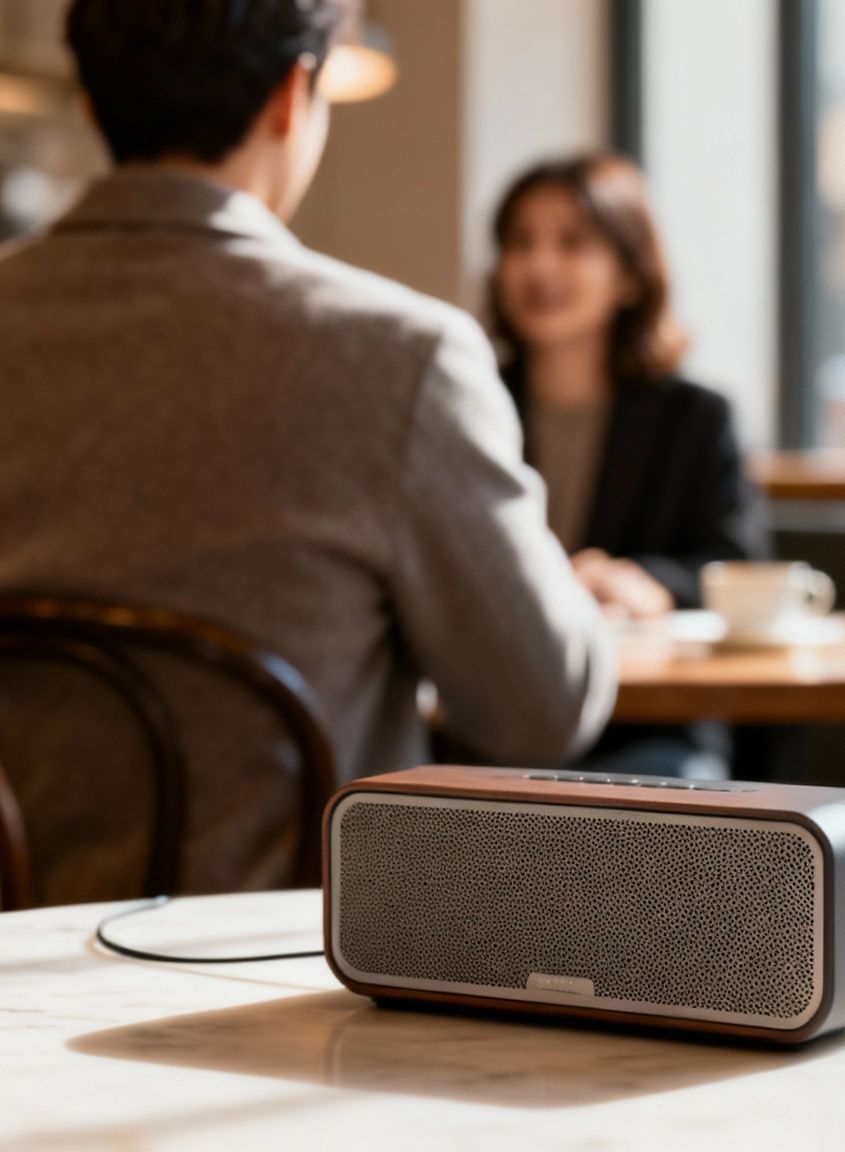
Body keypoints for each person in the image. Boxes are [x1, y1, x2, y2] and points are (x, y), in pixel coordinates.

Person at [0, 0, 614, 899]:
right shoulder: (401, 357)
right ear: (295, 94)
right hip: (280, 979)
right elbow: (542, 710)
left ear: (92, 106)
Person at [487, 154, 768, 778]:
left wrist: (640, 581)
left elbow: (734, 564)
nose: (539, 265)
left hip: (648, 720)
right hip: (493, 712)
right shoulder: (468, 401)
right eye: (519, 242)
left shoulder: (695, 418)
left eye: (572, 242)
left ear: (630, 276)